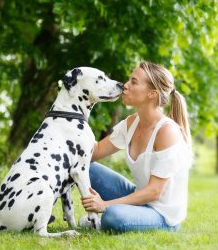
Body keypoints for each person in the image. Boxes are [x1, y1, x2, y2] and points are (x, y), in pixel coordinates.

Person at [80, 61, 193, 233]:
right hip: (140, 197)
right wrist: (73, 124)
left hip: (162, 215)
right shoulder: (132, 122)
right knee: (82, 165)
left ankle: (106, 218)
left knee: (112, 216)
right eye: (129, 80)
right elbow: (94, 152)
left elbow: (155, 192)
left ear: (152, 94)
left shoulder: (166, 132)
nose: (125, 85)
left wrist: (104, 205)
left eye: (134, 82)